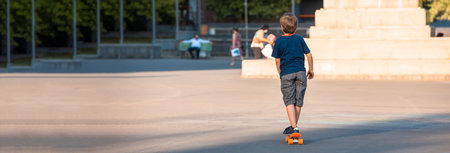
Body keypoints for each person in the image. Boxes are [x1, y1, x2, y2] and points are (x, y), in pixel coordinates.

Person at [271, 13, 314, 135]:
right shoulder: (299, 39)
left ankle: (294, 127)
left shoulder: (279, 41)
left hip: (287, 74)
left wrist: (280, 73)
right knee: (298, 100)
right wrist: (311, 69)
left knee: (289, 100)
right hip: (301, 73)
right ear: (295, 27)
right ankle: (294, 126)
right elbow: (309, 54)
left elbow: (277, 60)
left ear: (281, 27)